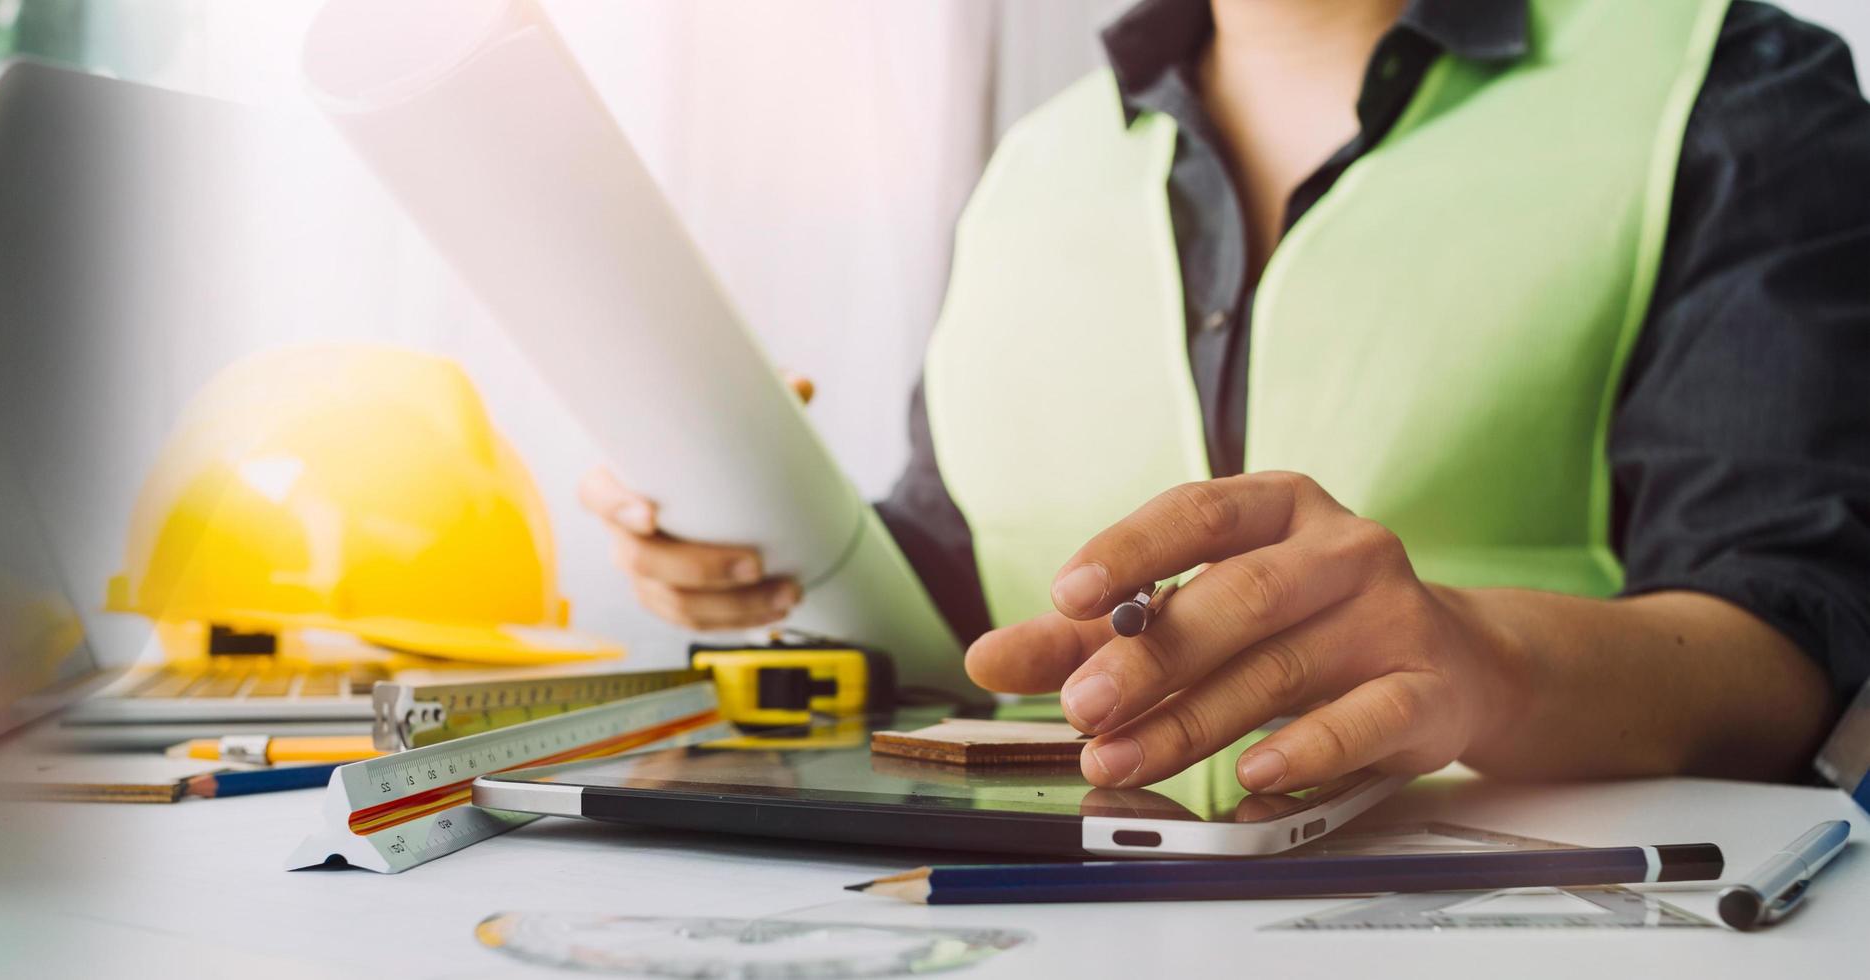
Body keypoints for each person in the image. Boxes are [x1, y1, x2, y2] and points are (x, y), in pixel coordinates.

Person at [583, 0, 1870, 794]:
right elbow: (963, 588)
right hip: (1036, 921)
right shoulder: (1037, 161)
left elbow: (1788, 654)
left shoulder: (1725, 82)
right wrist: (762, 550)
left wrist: (1480, 663)